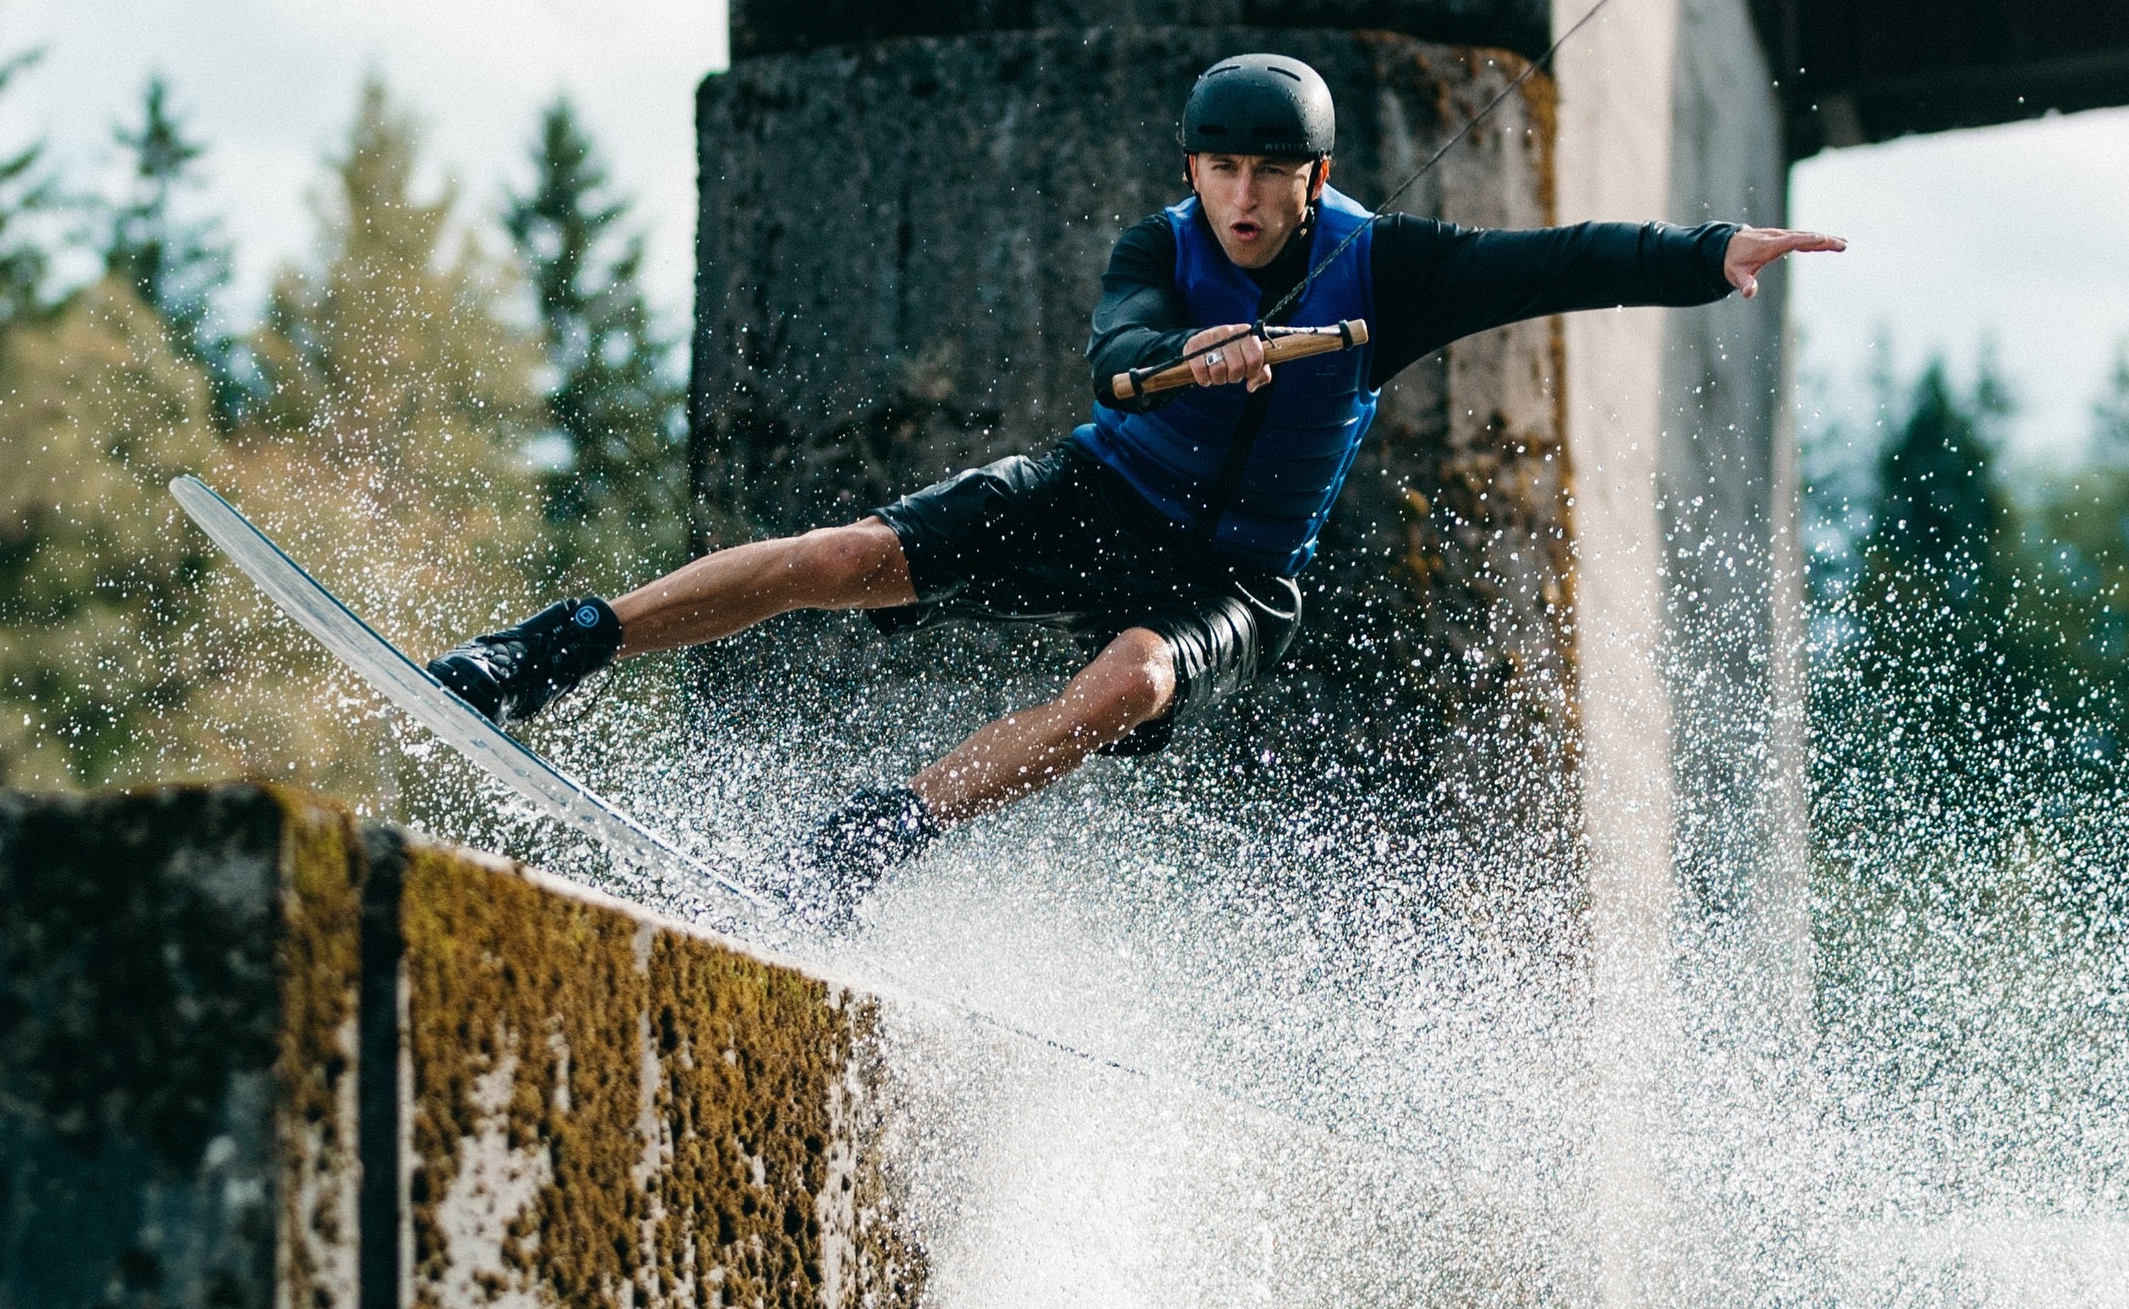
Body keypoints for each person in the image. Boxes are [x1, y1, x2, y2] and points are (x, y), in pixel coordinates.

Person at [427, 51, 1843, 916]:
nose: (1240, 195)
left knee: (1125, 690)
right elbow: (1113, 359)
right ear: (1193, 169)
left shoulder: (1389, 267)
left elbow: (1555, 260)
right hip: (1102, 488)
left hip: (1233, 581)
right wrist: (1183, 357)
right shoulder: (1153, 248)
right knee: (838, 557)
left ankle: (867, 843)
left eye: (1267, 174)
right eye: (1220, 168)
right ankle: (553, 648)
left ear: (1314, 175)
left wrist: (1703, 248)